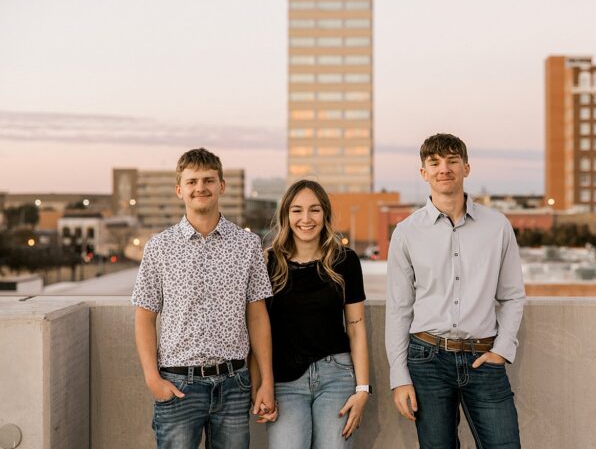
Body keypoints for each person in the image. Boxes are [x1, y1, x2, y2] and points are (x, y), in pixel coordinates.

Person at [385, 133, 526, 448]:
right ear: (424, 172)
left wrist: (501, 350)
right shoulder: (407, 233)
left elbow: (513, 296)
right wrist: (399, 377)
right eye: (434, 163)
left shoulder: (497, 226)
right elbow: (399, 309)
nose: (443, 169)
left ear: (466, 167)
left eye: (452, 161)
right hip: (427, 360)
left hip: (483, 359)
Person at [132, 148, 275, 448]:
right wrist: (152, 380)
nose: (201, 187)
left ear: (221, 186)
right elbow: (145, 317)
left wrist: (266, 381)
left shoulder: (247, 245)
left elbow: (258, 316)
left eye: (209, 180)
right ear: (179, 190)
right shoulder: (159, 248)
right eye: (192, 181)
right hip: (179, 383)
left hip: (234, 383)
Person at [252, 179, 371, 448]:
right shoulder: (267, 262)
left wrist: (363, 390)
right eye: (297, 210)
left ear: (325, 214)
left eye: (314, 210)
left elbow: (356, 327)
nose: (306, 219)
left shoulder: (345, 260)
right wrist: (260, 384)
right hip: (284, 382)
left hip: (336, 377)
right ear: (286, 215)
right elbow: (257, 328)